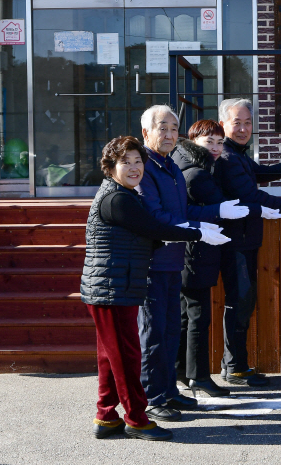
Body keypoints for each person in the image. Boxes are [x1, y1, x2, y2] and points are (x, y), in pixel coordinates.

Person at [80, 135, 229, 441]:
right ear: (110, 166)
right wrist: (197, 233)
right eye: (126, 162)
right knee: (127, 356)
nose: (134, 168)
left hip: (118, 286)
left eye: (138, 161)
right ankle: (136, 418)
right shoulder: (117, 198)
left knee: (111, 358)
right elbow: (153, 228)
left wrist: (188, 232)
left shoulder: (126, 194)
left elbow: (148, 236)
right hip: (111, 288)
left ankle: (106, 416)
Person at [136, 105, 250, 422]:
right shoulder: (144, 167)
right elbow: (155, 216)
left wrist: (212, 216)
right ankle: (152, 397)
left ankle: (170, 391)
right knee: (154, 333)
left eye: (174, 128)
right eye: (163, 127)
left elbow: (186, 211)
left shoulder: (170, 167)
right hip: (153, 263)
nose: (170, 134)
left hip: (174, 262)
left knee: (172, 329)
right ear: (146, 132)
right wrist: (196, 230)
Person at [172, 119, 281, 397]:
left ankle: (180, 372)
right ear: (193, 140)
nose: (215, 147)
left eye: (219, 142)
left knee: (188, 315)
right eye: (208, 141)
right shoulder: (197, 173)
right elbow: (223, 203)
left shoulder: (193, 162)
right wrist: (259, 209)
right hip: (195, 250)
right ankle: (198, 376)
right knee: (197, 316)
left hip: (192, 249)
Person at [217, 98, 281, 386]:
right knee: (240, 301)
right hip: (235, 241)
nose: (244, 128)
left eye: (248, 122)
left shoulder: (237, 155)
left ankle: (235, 364)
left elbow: (257, 174)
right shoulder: (226, 156)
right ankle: (234, 366)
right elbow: (252, 196)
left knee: (243, 300)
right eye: (237, 122)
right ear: (223, 125)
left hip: (244, 239)